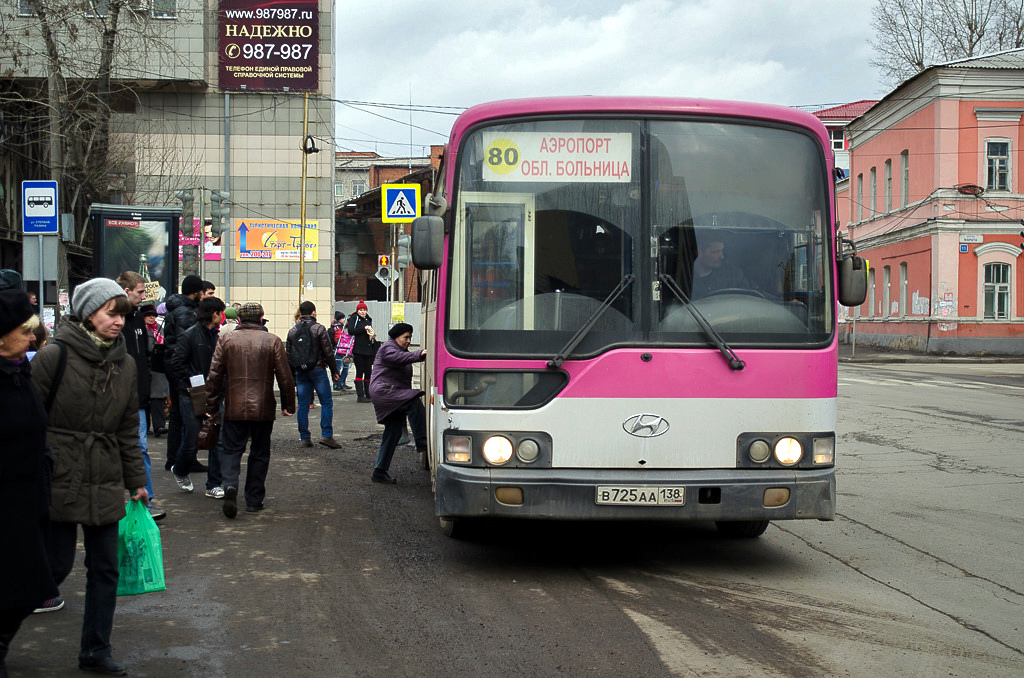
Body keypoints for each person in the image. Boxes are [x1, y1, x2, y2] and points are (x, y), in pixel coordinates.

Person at [31, 278, 149, 676]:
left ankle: (96, 650)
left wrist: (136, 480)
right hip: (59, 472)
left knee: (105, 568)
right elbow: (27, 417)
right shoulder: (54, 356)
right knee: (53, 567)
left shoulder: (125, 363)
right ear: (87, 313)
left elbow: (128, 426)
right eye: (110, 313)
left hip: (105, 474)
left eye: (122, 314)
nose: (118, 322)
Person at [0, 290, 59, 676]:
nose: (32, 339)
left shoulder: (21, 369)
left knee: (32, 587)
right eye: (24, 331)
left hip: (27, 496)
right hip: (3, 500)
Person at [205, 303, 296, 518]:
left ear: (239, 319)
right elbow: (285, 377)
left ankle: (229, 485)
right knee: (260, 452)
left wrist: (210, 405)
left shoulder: (226, 340)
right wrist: (288, 405)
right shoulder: (272, 340)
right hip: (263, 406)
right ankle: (254, 500)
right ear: (262, 318)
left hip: (234, 405)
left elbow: (214, 375)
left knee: (231, 449)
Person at [116, 271, 164, 521]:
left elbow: (141, 358)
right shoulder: (116, 319)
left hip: (138, 397)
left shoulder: (136, 319)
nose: (144, 297)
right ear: (125, 292)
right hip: (118, 397)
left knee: (141, 448)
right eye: (140, 292)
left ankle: (146, 500)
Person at [168, 296, 226, 498]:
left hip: (215, 393)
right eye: (221, 312)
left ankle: (214, 483)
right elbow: (177, 363)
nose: (223, 317)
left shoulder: (218, 337)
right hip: (192, 394)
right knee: (193, 437)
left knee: (217, 439)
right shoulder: (190, 336)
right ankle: (181, 469)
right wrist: (189, 382)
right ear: (214, 314)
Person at [368, 322, 427, 484]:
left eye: (410, 337)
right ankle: (422, 440)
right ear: (396, 337)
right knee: (413, 401)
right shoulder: (388, 348)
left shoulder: (400, 350)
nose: (408, 340)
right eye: (405, 337)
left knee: (393, 432)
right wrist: (420, 354)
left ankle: (379, 471)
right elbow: (397, 358)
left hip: (391, 392)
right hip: (384, 391)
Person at [162, 274, 205, 473]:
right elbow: (188, 342)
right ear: (196, 292)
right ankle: (182, 459)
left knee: (179, 415)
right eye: (203, 292)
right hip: (184, 370)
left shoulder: (176, 309)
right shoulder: (186, 313)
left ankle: (175, 458)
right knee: (187, 415)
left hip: (174, 366)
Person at [287, 301, 341, 449]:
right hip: (317, 370)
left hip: (301, 372)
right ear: (313, 312)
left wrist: (292, 376)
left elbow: (289, 356)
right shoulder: (319, 329)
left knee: (303, 404)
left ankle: (304, 437)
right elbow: (328, 352)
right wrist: (335, 371)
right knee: (326, 402)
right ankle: (326, 435)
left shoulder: (292, 331)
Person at [690, 237, 754, 299]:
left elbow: (752, 295)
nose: (722, 257)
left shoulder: (733, 275)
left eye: (722, 251)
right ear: (698, 252)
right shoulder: (684, 277)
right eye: (715, 252)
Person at [142, 305, 169, 437]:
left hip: (157, 368)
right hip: (144, 367)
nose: (152, 317)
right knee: (145, 399)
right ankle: (146, 426)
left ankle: (159, 426)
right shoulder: (140, 331)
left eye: (153, 315)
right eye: (148, 315)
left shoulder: (160, 329)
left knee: (157, 399)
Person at [346, 301, 377, 403]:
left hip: (368, 349)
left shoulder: (369, 318)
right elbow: (351, 331)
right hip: (358, 350)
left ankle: (369, 394)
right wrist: (364, 329)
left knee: (368, 372)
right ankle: (360, 395)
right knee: (360, 372)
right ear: (357, 310)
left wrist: (372, 335)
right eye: (361, 310)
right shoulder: (354, 318)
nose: (363, 312)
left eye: (364, 310)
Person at [332, 312, 354, 391]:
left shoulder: (337, 326)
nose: (344, 320)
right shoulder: (338, 328)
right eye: (342, 318)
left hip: (341, 349)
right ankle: (338, 383)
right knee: (341, 367)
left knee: (343, 367)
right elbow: (338, 339)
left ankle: (340, 383)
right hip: (340, 350)